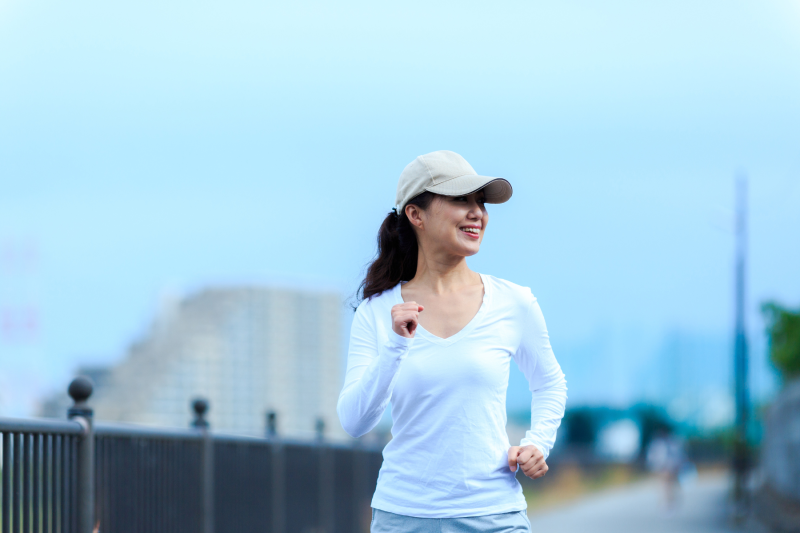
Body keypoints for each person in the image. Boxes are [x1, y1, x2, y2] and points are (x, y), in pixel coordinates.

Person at [337, 150, 569, 533]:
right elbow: (355, 421)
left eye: (480, 202)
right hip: (403, 517)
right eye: (461, 199)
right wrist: (396, 346)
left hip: (495, 515)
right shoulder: (378, 312)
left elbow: (550, 383)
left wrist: (537, 443)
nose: (477, 212)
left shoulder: (514, 302)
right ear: (416, 215)